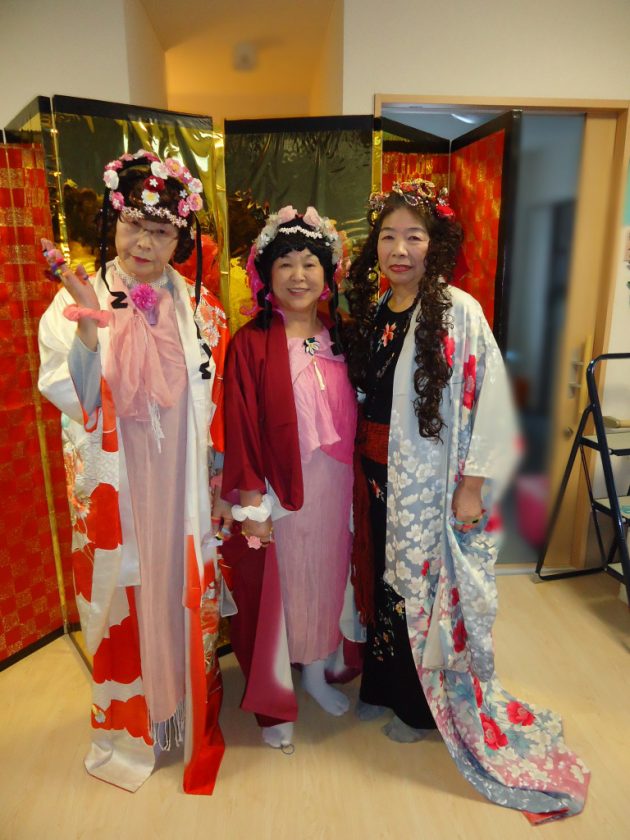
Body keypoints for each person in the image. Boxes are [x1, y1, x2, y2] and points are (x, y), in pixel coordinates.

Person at [344, 180, 589, 822]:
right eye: (388, 236)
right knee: (387, 586)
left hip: (431, 482)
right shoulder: (378, 306)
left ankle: (424, 707)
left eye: (414, 237)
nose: (399, 250)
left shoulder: (458, 311)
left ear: (436, 244)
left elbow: (493, 400)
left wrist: (473, 483)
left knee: (427, 591)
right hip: (377, 475)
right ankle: (385, 688)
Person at [38, 149, 229, 794]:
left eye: (162, 231)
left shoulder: (200, 307)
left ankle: (180, 716)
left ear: (182, 238)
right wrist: (90, 325)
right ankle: (131, 727)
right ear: (112, 222)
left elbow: (214, 402)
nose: (145, 244)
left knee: (179, 585)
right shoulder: (78, 296)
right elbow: (73, 395)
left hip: (179, 482)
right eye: (134, 226)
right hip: (121, 480)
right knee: (128, 591)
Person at [220, 206, 359, 750]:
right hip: (280, 491)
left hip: (335, 489)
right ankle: (276, 692)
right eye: (285, 264)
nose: (298, 276)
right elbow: (238, 424)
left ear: (328, 274)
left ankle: (318, 671)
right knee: (279, 590)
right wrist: (251, 499)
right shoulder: (251, 342)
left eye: (309, 263)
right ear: (266, 274)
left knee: (327, 579)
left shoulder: (342, 334)